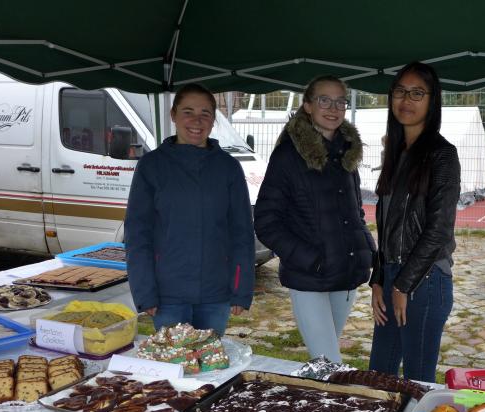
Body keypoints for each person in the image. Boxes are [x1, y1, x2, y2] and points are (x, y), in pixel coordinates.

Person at [253, 75, 375, 362]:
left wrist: (368, 252)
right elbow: (266, 221)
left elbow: (356, 213)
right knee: (329, 363)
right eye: (324, 100)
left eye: (340, 102)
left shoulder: (347, 153)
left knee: (324, 363)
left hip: (345, 275)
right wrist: (312, 259)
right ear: (308, 106)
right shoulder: (288, 155)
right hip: (309, 276)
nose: (333, 108)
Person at [125, 84, 255, 334]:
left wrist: (241, 289)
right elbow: (137, 234)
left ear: (213, 120)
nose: (197, 121)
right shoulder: (152, 166)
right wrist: (144, 291)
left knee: (211, 358)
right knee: (173, 358)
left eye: (205, 113)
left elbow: (242, 233)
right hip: (167, 295)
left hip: (216, 294)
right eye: (188, 112)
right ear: (173, 115)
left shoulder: (228, 168)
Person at [368, 62, 461, 382]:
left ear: (432, 101)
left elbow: (439, 229)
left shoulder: (442, 154)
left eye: (417, 93)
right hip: (393, 276)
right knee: (379, 375)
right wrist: (379, 278)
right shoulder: (396, 152)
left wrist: (403, 284)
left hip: (425, 279)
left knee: (417, 382)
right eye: (400, 91)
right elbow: (388, 226)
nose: (406, 100)